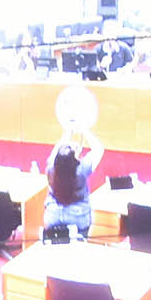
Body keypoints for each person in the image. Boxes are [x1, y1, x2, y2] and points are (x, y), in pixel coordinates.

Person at [45, 85, 102, 240]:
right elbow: (98, 149)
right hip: (79, 218)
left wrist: (67, 131)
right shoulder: (81, 170)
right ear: (76, 159)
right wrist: (84, 129)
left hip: (53, 216)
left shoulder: (51, 168)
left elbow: (57, 152)